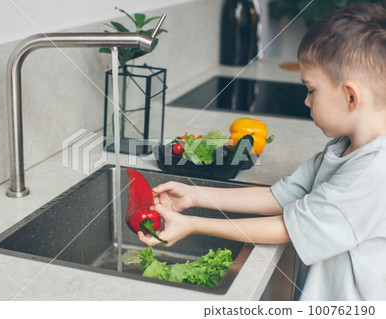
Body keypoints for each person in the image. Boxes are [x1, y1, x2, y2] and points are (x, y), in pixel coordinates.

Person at [137, 3, 386, 301]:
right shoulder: (343, 147)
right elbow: (279, 197)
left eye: (311, 89)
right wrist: (193, 195)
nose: (306, 102)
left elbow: (289, 227)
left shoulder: (373, 172)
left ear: (350, 96)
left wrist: (193, 224)